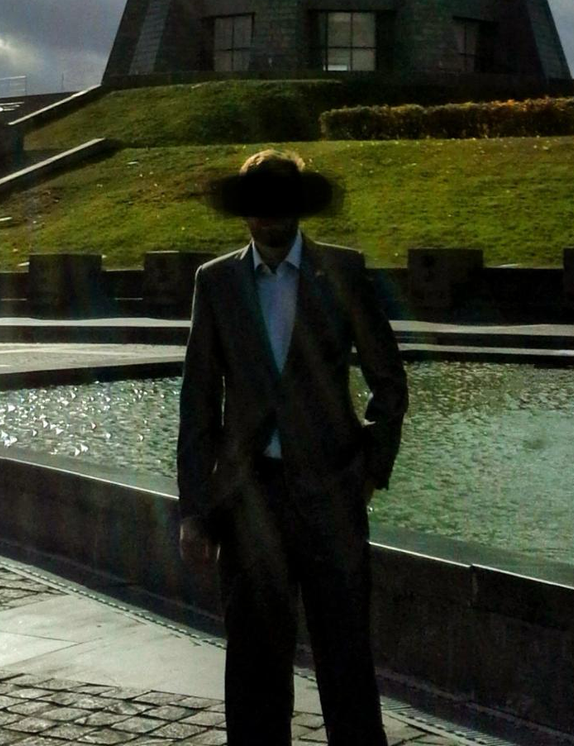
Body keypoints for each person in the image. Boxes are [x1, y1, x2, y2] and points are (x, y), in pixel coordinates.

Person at [177, 148, 408, 746]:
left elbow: (389, 380)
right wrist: (196, 509)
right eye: (257, 209)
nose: (268, 221)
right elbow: (199, 402)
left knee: (347, 665)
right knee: (255, 670)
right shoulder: (217, 282)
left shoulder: (345, 273)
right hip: (249, 502)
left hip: (331, 495)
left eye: (279, 208)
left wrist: (371, 468)